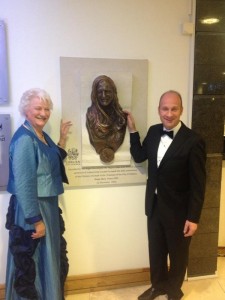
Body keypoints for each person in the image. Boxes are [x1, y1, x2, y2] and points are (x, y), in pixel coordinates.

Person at [125, 90, 206, 300]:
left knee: (178, 254)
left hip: (180, 210)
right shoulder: (153, 131)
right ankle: (157, 285)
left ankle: (173, 290)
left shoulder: (193, 140)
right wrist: (133, 131)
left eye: (174, 109)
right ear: (159, 110)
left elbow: (199, 184)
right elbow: (140, 155)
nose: (169, 114)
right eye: (165, 109)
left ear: (181, 110)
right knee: (157, 250)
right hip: (154, 205)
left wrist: (193, 218)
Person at [5, 88, 72, 300]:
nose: (43, 113)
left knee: (46, 257)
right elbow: (25, 184)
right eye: (38, 108)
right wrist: (36, 220)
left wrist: (61, 139)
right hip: (33, 209)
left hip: (47, 207)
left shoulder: (40, 135)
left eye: (46, 108)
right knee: (31, 260)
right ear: (26, 110)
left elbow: (50, 160)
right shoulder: (25, 139)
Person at [86, 75, 127, 163]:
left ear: (113, 93)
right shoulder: (91, 116)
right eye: (100, 92)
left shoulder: (121, 118)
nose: (103, 95)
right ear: (95, 94)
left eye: (107, 91)